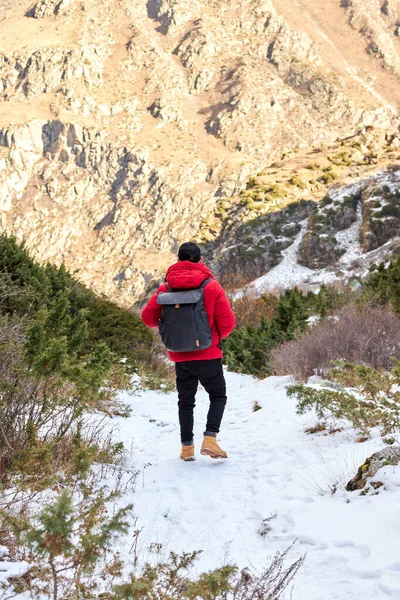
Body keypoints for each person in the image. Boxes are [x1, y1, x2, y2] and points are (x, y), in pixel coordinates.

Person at [141, 242, 236, 462]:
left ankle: (186, 448)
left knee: (185, 401)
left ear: (178, 260)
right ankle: (210, 439)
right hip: (209, 354)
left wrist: (172, 329)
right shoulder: (211, 286)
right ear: (200, 260)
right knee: (218, 396)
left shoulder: (165, 288)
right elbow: (228, 322)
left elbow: (147, 318)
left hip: (180, 355)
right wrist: (214, 338)